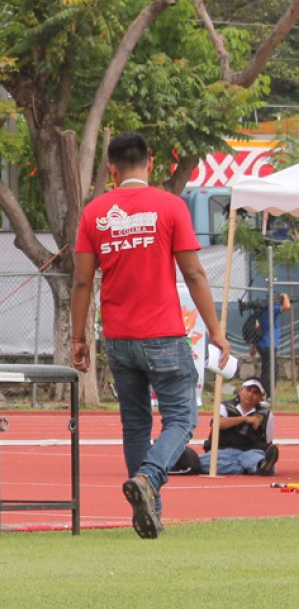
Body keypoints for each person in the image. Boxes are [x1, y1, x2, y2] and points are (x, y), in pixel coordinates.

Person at [70, 131, 230, 540]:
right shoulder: (171, 206)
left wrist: (78, 338)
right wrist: (215, 330)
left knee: (135, 424)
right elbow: (193, 273)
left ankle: (149, 511)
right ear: (151, 162)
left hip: (118, 338)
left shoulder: (94, 213)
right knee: (182, 418)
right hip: (164, 334)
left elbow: (82, 283)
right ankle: (149, 477)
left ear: (111, 168)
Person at [197, 378, 280, 476]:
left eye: (255, 393)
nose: (250, 395)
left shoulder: (266, 415)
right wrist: (244, 419)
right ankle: (244, 469)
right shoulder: (225, 406)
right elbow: (217, 424)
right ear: (241, 391)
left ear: (261, 398)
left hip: (249, 452)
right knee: (200, 462)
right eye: (248, 390)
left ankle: (262, 466)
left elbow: (267, 442)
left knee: (255, 458)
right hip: (222, 451)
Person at [255, 294, 291, 396]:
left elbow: (256, 329)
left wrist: (253, 346)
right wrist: (285, 296)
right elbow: (287, 306)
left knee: (266, 369)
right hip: (268, 344)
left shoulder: (261, 310)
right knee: (272, 370)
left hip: (262, 343)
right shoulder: (272, 309)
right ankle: (269, 395)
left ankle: (263, 392)